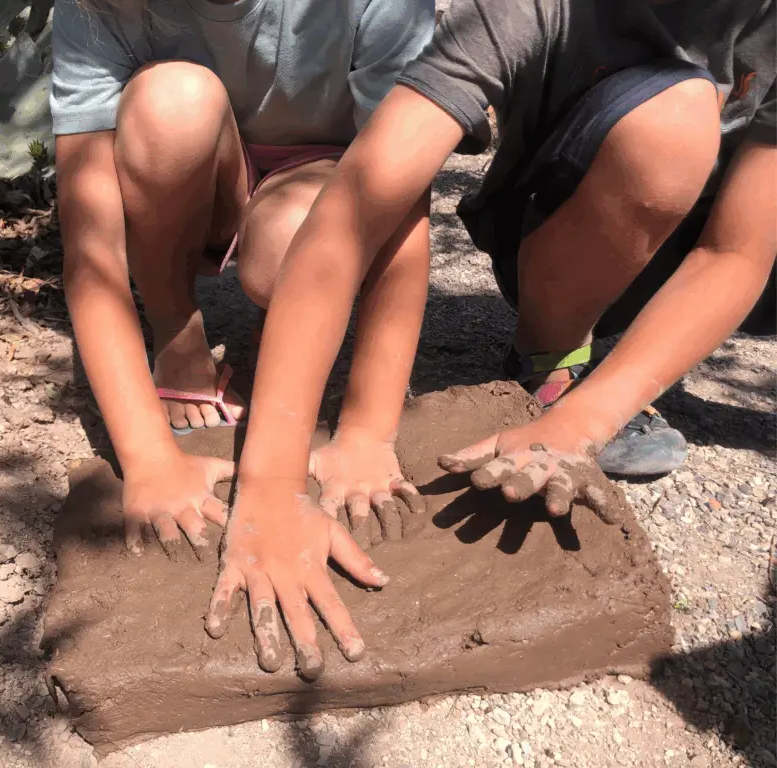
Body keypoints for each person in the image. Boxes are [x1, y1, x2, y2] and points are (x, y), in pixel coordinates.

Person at [205, 0, 776, 679]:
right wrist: (272, 482)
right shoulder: (535, 9)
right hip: (574, 223)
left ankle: (594, 379)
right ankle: (554, 354)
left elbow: (735, 257)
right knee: (676, 117)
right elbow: (357, 207)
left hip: (713, 248)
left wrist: (583, 423)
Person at [50, 0, 434, 556]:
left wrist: (367, 432)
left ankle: (282, 320)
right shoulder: (99, 7)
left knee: (291, 249)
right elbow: (90, 250)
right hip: (194, 163)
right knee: (172, 102)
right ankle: (176, 329)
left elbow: (401, 193)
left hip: (326, 173)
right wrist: (148, 459)